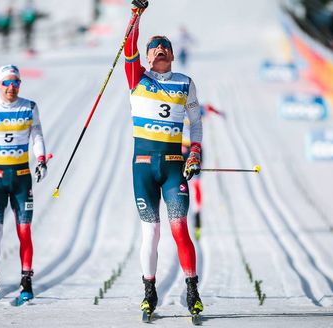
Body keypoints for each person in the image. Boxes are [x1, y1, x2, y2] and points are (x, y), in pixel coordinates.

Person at [124, 0, 203, 318]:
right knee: (151, 233)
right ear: (147, 57)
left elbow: (196, 122)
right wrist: (135, 15)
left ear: (172, 54)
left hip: (173, 166)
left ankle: (193, 291)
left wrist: (194, 152)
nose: (159, 52)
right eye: (154, 50)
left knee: (180, 228)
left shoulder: (185, 83)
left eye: (164, 49)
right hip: (143, 166)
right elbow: (128, 46)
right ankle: (149, 292)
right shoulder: (137, 79)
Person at [0, 65, 48, 303]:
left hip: (21, 177)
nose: (11, 87)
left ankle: (26, 279)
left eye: (15, 82)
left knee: (24, 231)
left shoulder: (29, 107)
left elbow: (37, 135)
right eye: (6, 83)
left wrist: (41, 160)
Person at [182, 104, 224, 241]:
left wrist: (219, 113)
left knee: (196, 184)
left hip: (195, 150)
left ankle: (197, 220)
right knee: (181, 183)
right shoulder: (178, 105)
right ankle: (183, 220)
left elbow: (209, 108)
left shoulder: (197, 107)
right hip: (181, 149)